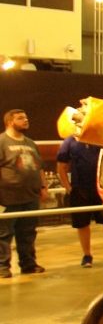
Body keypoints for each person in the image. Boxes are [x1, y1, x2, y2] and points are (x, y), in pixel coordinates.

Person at [57, 135, 103, 267]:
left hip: (100, 187)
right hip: (79, 189)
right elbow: (61, 166)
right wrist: (68, 188)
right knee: (82, 224)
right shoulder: (69, 142)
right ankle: (87, 255)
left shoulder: (100, 139)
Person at [0, 109, 46, 278]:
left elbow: (39, 167)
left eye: (26, 117)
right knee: (3, 235)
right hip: (7, 198)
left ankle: (28, 265)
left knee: (28, 233)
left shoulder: (30, 143)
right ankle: (2, 267)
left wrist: (43, 187)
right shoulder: (2, 142)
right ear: (9, 122)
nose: (25, 120)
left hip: (30, 197)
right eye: (20, 118)